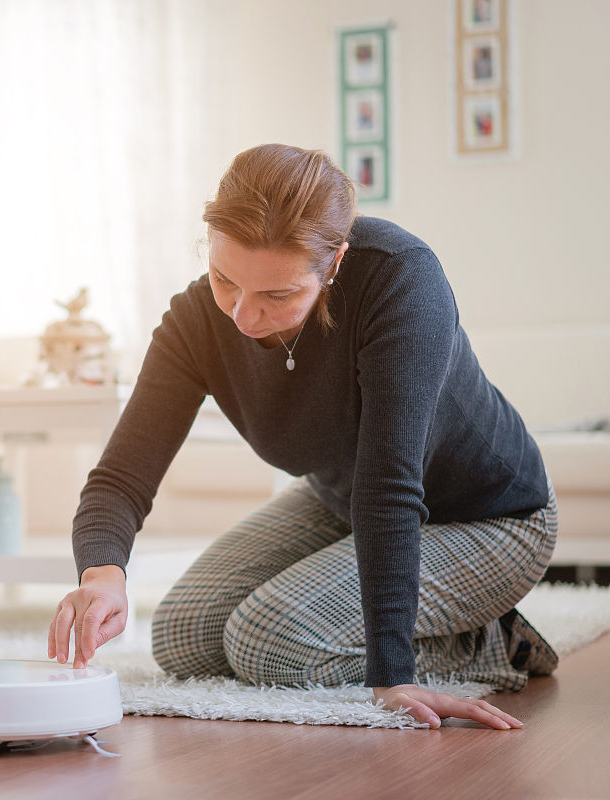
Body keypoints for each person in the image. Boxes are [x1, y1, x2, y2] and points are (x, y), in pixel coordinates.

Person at [46, 143, 558, 730]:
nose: (241, 315)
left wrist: (393, 676)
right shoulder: (194, 322)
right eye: (225, 280)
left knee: (269, 641)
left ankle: (489, 642)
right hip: (342, 499)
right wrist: (103, 575)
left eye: (277, 295)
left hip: (489, 517)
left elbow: (390, 484)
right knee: (182, 636)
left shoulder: (402, 279)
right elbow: (121, 477)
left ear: (334, 263)